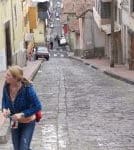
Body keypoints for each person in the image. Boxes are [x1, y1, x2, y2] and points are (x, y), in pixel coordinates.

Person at [2, 65, 42, 150]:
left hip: (28, 122)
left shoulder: (27, 88)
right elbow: (4, 99)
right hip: (14, 121)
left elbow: (38, 106)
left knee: (23, 147)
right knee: (17, 148)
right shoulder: (6, 85)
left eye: (8, 75)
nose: (5, 76)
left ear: (16, 78)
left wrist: (22, 114)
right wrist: (4, 109)